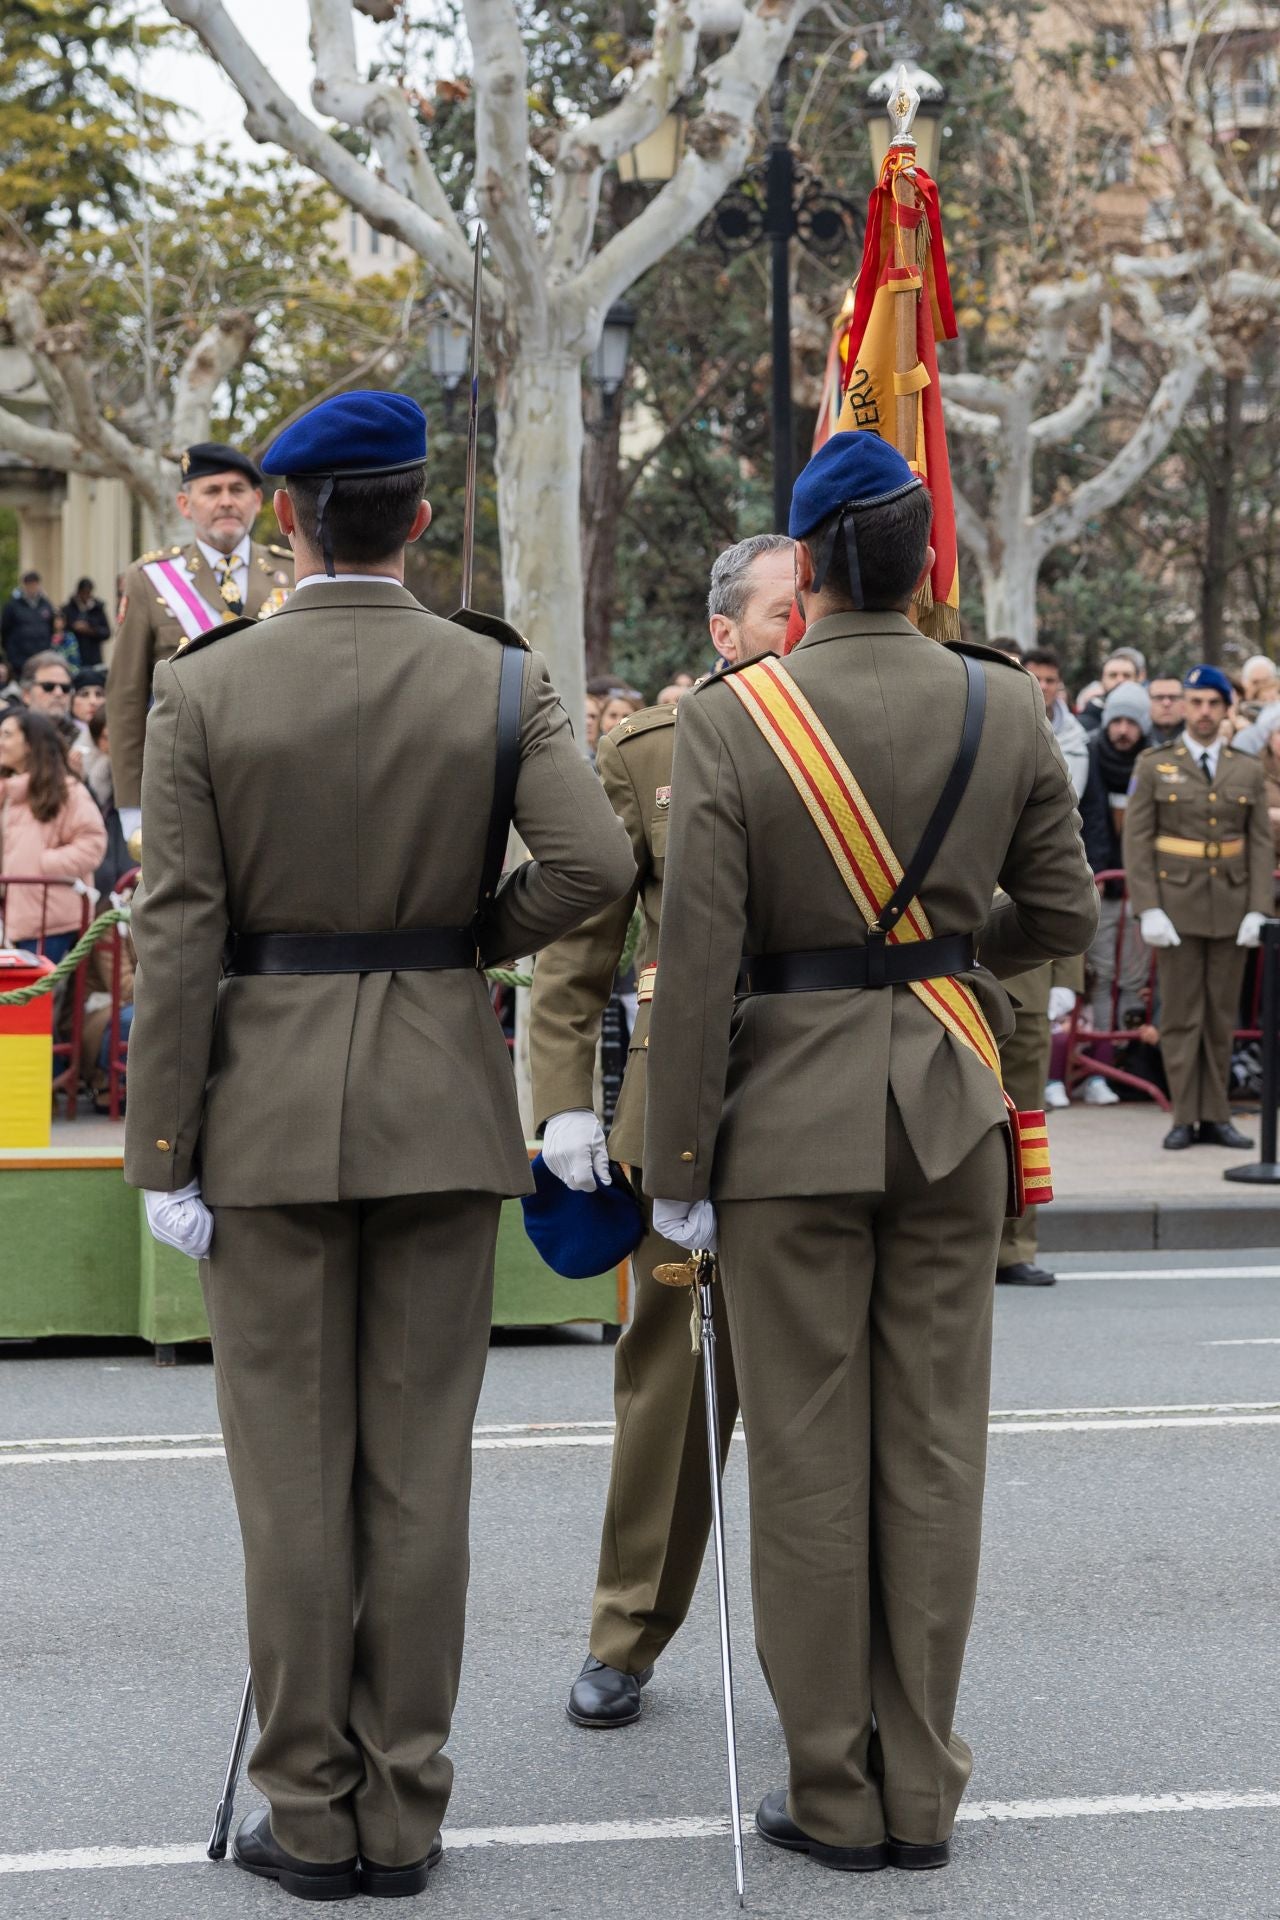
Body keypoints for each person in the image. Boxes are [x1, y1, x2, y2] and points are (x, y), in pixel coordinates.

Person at [122, 389, 633, 1902]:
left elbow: (176, 940)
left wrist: (162, 1148)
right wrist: (472, 936)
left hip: (264, 1117)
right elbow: (596, 862)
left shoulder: (208, 687)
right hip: (435, 1098)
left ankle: (310, 1807)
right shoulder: (495, 674)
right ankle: (404, 1808)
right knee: (418, 1477)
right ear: (415, 517)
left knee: (292, 1482)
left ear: (283, 517)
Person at [643, 431, 1097, 1873]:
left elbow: (700, 958)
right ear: (925, 565)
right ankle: (923, 1789)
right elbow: (1063, 914)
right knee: (934, 1454)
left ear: (814, 564)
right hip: (952, 1104)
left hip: (785, 1117)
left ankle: (833, 1793)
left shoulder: (735, 715)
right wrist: (946, 965)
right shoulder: (1002, 704)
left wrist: (677, 1170)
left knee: (806, 1457)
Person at [529, 530, 795, 1731]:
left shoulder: (860, 741)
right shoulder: (649, 754)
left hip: (825, 1102)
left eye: (814, 605)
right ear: (722, 633)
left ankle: (828, 1665)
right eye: (779, 612)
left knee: (817, 1393)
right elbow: (576, 948)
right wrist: (563, 1097)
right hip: (679, 1114)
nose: (800, 628)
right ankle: (627, 1631)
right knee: (672, 1390)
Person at [106, 442, 294, 827]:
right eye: (212, 491)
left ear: (257, 500)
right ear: (185, 504)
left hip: (281, 784)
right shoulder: (149, 581)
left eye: (237, 490)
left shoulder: (293, 573)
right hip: (183, 786)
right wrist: (131, 808)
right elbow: (126, 697)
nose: (226, 501)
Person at [1124, 664, 1273, 1150]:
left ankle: (1217, 1115)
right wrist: (1148, 908)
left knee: (1221, 1016)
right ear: (1184, 706)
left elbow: (1257, 846)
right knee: (1182, 1016)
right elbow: (1138, 840)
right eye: (1197, 702)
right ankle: (1185, 1117)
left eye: (1213, 703)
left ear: (1226, 709)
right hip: (1177, 907)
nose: (1204, 712)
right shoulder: (1153, 764)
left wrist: (1258, 908)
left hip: (1231, 907)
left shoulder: (1246, 768)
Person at [1076, 682, 1153, 1107]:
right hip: (1104, 885)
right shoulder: (1091, 756)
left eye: (1131, 723)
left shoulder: (1155, 762)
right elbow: (1088, 818)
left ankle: (1127, 1066)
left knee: (1135, 980)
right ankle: (1100, 1066)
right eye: (1117, 721)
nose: (1123, 730)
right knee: (1102, 976)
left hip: (1140, 889)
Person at [0, 707, 107, 960]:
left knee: (33, 997)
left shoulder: (67, 791)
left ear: (30, 744)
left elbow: (93, 842)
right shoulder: (9, 791)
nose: (0, 742)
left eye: (6, 735)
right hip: (15, 914)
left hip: (50, 918)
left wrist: (44, 864)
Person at [1022, 646, 1089, 798]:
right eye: (1036, 679)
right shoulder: (1004, 726)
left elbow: (1072, 797)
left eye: (1050, 680)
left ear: (1059, 684)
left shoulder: (1075, 736)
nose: (1043, 686)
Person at [1, 571, 57, 678]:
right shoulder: (12, 606)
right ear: (24, 585)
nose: (32, 588)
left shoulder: (46, 604)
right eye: (29, 584)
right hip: (19, 660)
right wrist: (11, 655)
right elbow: (5, 631)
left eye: (34, 584)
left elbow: (51, 629)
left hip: (41, 657)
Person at [1078, 649, 1145, 732]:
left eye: (1127, 675)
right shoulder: (1083, 725)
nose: (1120, 680)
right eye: (1113, 675)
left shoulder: (1149, 717)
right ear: (1102, 680)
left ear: (1137, 679)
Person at [61, 578, 111, 670]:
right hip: (74, 658)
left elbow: (107, 632)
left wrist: (90, 630)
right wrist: (74, 627)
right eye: (83, 593)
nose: (85, 596)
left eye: (88, 593)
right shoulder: (68, 609)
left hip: (94, 658)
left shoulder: (98, 609)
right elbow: (61, 630)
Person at [1147, 671, 1185, 746]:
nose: (1166, 703)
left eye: (1173, 697)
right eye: (1159, 698)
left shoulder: (1198, 739)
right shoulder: (1136, 742)